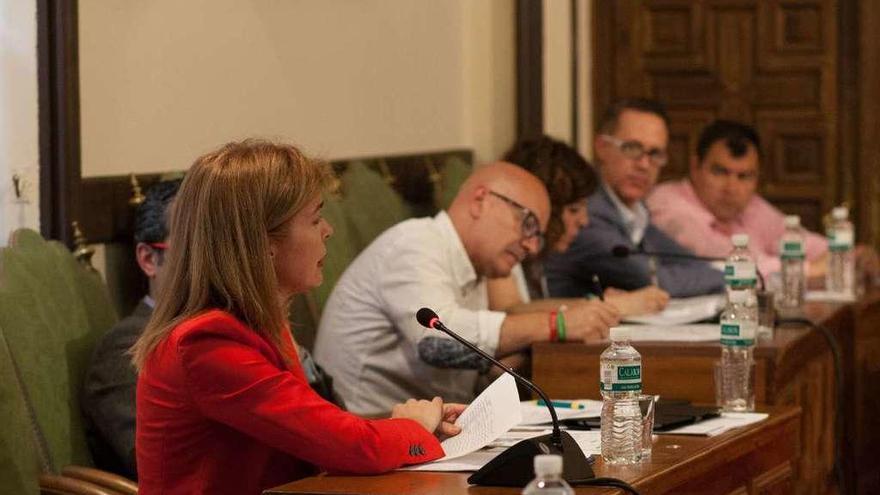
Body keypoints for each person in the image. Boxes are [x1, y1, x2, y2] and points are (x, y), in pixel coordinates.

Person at [130, 140, 464, 495]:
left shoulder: (259, 323)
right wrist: (411, 429)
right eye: (316, 218)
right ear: (264, 244)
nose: (328, 231)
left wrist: (411, 428)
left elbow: (319, 434)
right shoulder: (208, 343)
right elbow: (349, 446)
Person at [314, 162, 619, 416]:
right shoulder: (416, 244)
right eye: (528, 225)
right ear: (480, 200)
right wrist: (556, 324)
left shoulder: (473, 267)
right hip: (371, 432)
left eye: (537, 235)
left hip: (429, 429)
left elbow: (466, 362)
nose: (531, 244)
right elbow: (435, 343)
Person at [647, 119, 880, 283]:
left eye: (744, 176)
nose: (732, 187)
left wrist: (852, 255)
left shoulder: (751, 206)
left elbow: (796, 240)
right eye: (720, 172)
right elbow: (727, 262)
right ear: (695, 166)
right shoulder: (668, 206)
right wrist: (809, 269)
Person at [544, 98, 725, 298]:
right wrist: (729, 277)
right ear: (602, 147)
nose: (644, 165)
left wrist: (718, 274)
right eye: (632, 148)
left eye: (655, 153)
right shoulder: (586, 211)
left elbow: (691, 262)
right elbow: (655, 281)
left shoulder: (636, 211)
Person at [489, 135, 670, 317]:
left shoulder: (538, 255)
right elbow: (508, 312)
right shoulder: (499, 239)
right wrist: (610, 306)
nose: (584, 221)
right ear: (542, 205)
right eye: (574, 210)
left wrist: (597, 303)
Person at [82, 178, 181, 479]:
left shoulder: (243, 327)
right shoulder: (128, 347)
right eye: (197, 249)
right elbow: (162, 466)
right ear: (150, 259)